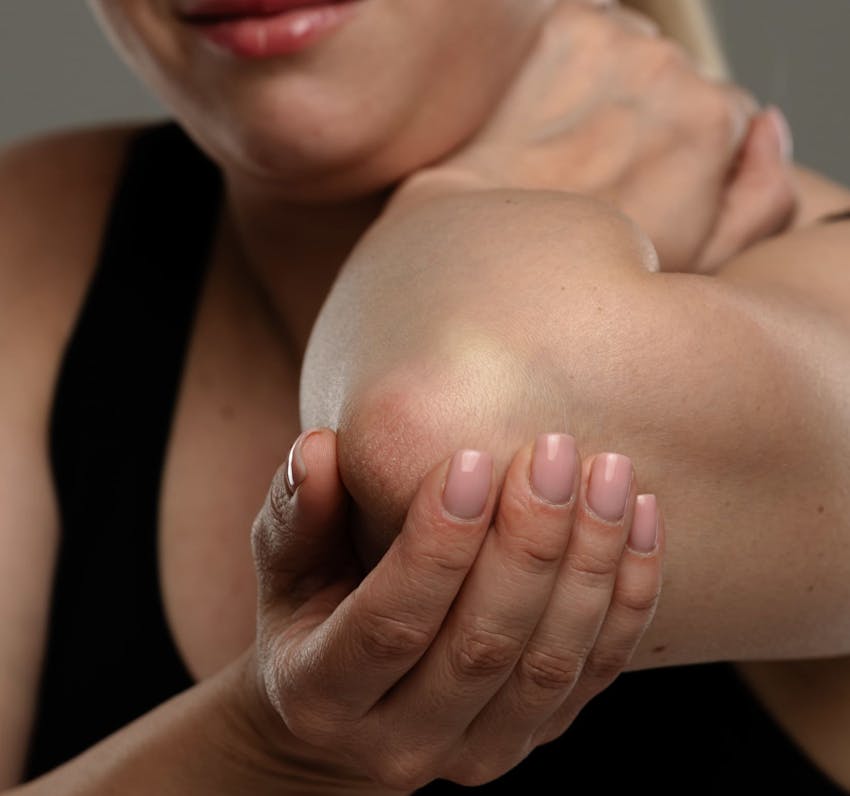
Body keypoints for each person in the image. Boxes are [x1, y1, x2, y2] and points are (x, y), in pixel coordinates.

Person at [0, 0, 847, 793]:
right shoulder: (32, 236)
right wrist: (260, 748)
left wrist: (476, 196)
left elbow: (443, 437)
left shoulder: (829, 293)